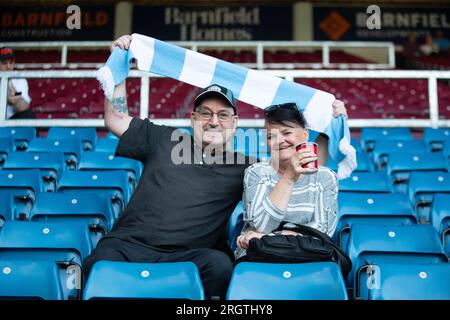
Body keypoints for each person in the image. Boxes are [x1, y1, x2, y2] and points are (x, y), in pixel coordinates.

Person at [82, 35, 347, 300]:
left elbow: (298, 162)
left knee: (221, 267)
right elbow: (116, 117)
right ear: (193, 117)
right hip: (129, 245)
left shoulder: (246, 167)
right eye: (206, 113)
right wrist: (119, 67)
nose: (213, 121)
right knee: (97, 264)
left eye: (222, 115)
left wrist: (330, 121)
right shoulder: (161, 138)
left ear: (234, 122)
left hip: (190, 257)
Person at [235, 103, 338, 260]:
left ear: (305, 135)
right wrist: (289, 176)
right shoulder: (256, 173)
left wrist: (270, 236)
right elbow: (261, 225)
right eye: (271, 136)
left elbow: (322, 233)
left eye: (286, 132)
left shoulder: (325, 177)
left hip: (308, 258)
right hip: (260, 259)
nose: (279, 141)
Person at [0, 47, 35, 119]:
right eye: (4, 63)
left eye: (11, 62)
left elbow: (22, 106)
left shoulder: (20, 79)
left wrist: (9, 82)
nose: (8, 66)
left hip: (11, 119)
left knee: (28, 114)